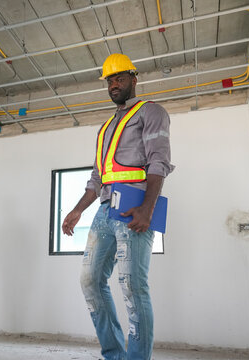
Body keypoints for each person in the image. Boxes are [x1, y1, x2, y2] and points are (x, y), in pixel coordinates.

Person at [62, 54, 174, 360]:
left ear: (134, 79)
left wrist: (148, 208)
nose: (114, 85)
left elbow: (159, 161)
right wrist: (77, 209)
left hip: (134, 205)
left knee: (132, 286)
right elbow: (99, 176)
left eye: (120, 78)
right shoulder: (106, 128)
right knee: (90, 280)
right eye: (110, 80)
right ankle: (114, 354)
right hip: (104, 209)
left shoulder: (151, 112)